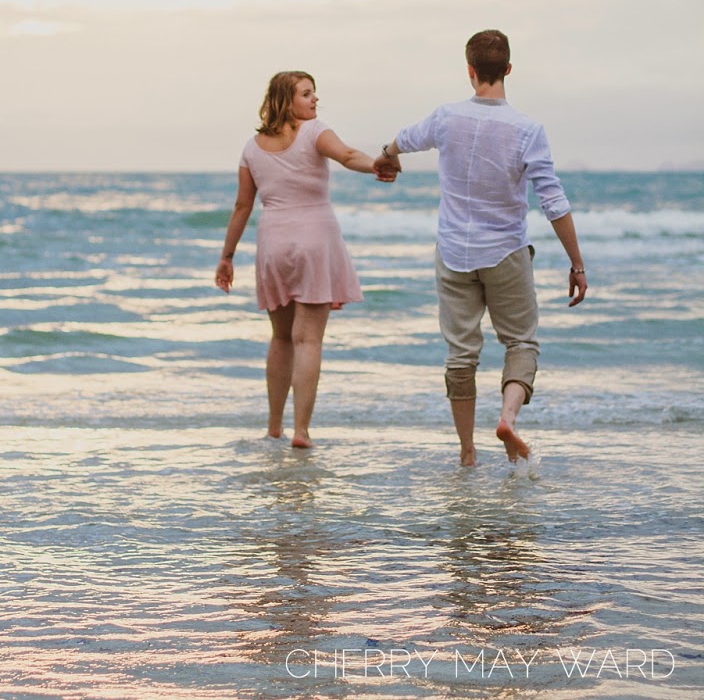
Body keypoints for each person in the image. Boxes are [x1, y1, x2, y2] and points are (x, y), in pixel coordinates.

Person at [373, 30, 587, 467]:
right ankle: (507, 418)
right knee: (521, 342)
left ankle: (467, 451)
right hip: (506, 252)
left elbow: (404, 138)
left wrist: (387, 155)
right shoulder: (527, 129)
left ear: (470, 71)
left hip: (453, 253)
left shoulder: (445, 117)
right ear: (508, 69)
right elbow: (552, 200)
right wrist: (576, 263)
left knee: (461, 355)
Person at [215, 71, 386, 448]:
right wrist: (378, 163)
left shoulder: (252, 147)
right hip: (314, 241)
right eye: (306, 94)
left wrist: (227, 257)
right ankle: (301, 431)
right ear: (286, 100)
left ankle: (273, 427)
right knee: (307, 340)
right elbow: (347, 155)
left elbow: (243, 206)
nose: (315, 100)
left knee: (280, 338)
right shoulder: (314, 132)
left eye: (314, 94)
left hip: (273, 245)